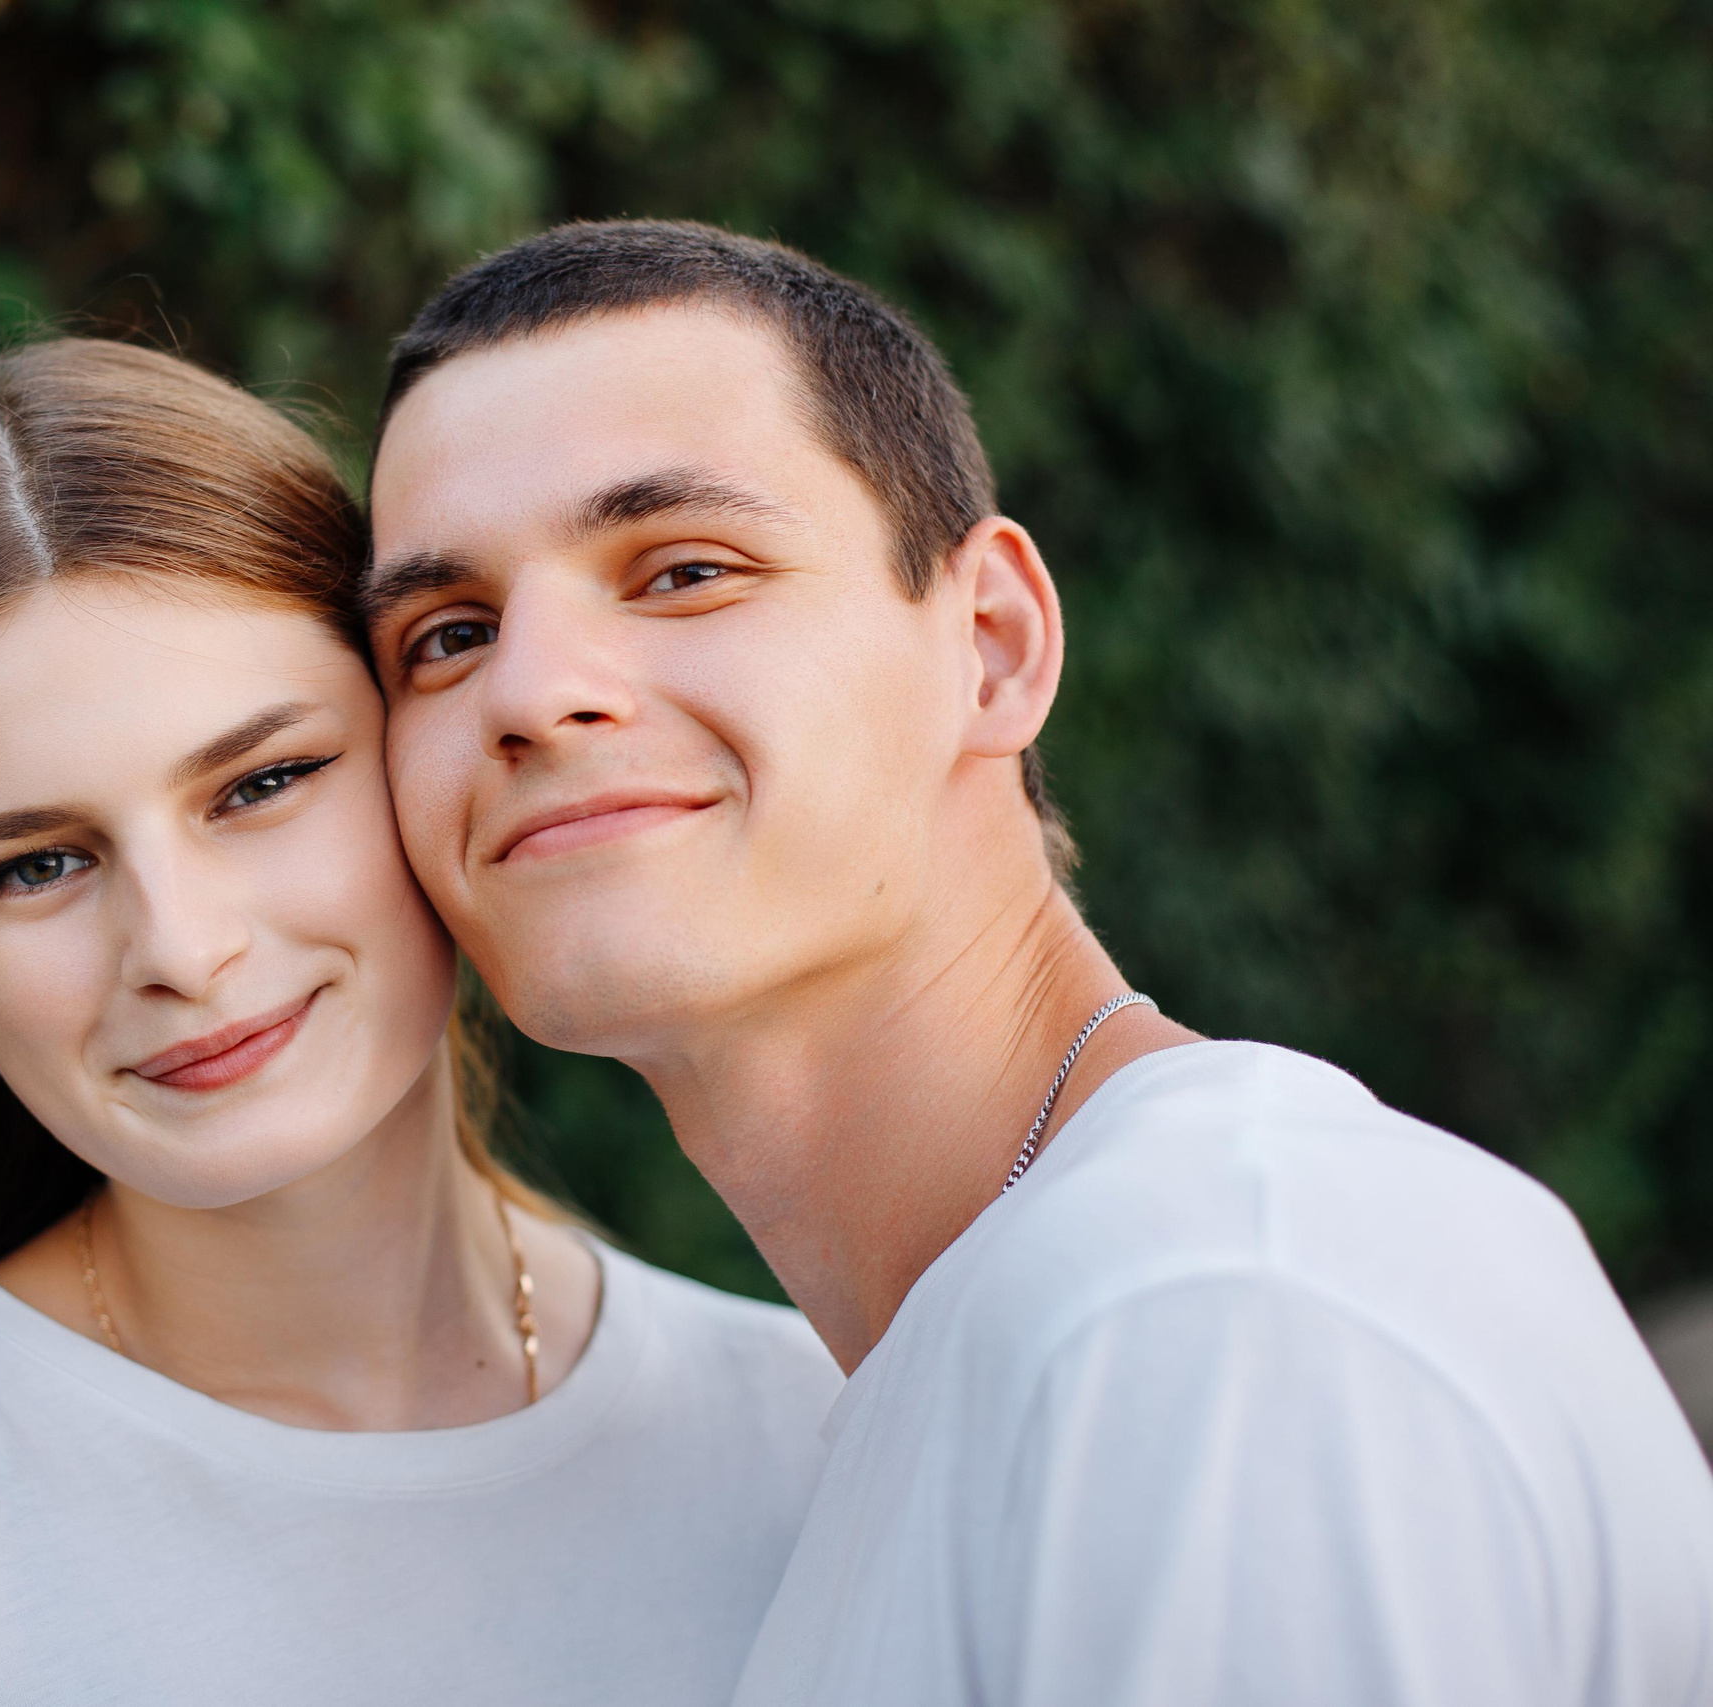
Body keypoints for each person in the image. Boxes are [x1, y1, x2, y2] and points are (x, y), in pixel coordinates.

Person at [363, 220, 1713, 1706]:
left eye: (684, 569)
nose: (530, 689)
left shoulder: (1209, 1315)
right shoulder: (1008, 1352)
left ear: (993, 646)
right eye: (447, 635)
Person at [0, 337, 842, 1707]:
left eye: (262, 783)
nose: (185, 953)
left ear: (427, 746)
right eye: (35, 866)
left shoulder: (817, 1428)